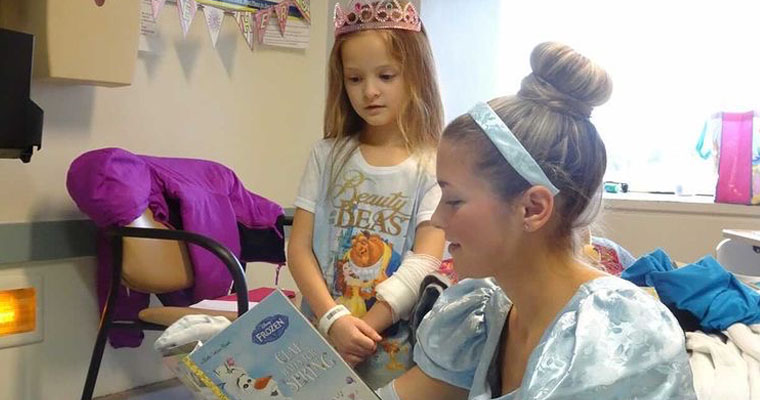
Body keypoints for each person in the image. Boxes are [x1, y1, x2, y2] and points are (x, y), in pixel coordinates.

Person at [376, 42, 697, 399]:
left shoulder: (621, 340)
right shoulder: (484, 317)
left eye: (453, 200)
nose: (438, 220)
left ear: (532, 209)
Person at [287, 0, 446, 389]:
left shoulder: (436, 164)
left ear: (416, 75)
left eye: (386, 76)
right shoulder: (327, 155)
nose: (369, 92)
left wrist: (362, 330)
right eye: (354, 79)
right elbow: (299, 248)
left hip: (388, 351)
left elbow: (424, 261)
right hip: (320, 335)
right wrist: (333, 320)